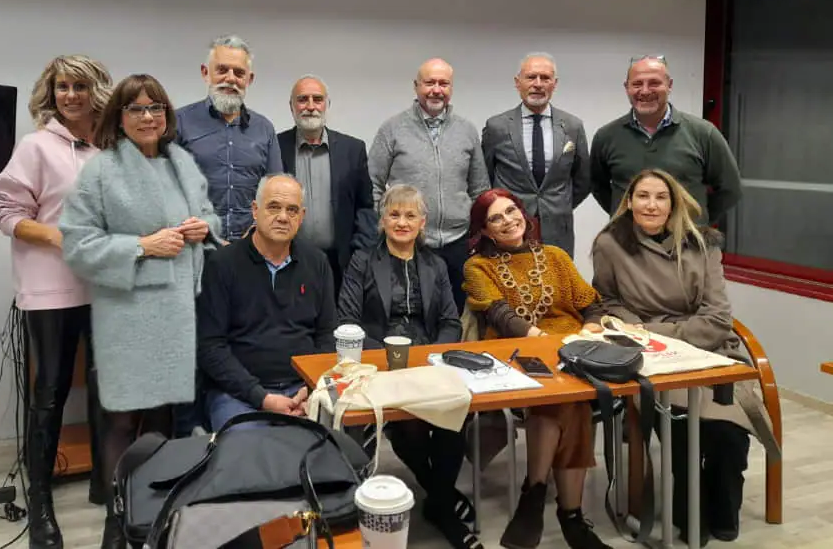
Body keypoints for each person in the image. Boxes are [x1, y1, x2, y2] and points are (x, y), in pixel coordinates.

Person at [60, 74, 219, 549]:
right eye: (136, 109)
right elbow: (77, 244)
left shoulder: (181, 163)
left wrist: (203, 227)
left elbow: (210, 216)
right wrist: (141, 246)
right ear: (120, 116)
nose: (148, 117)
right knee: (122, 421)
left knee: (162, 418)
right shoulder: (101, 171)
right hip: (127, 313)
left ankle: (152, 515)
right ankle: (116, 521)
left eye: (156, 108)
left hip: (176, 310)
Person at [591, 169, 760, 545]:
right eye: (643, 196)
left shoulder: (704, 244)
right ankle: (689, 513)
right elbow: (607, 300)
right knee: (682, 429)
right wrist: (640, 334)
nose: (651, 205)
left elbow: (718, 318)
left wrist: (652, 330)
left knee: (729, 431)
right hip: (650, 358)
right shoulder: (610, 244)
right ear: (629, 202)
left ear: (674, 203)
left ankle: (724, 509)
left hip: (710, 350)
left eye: (660, 197)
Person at [0, 55, 112, 549]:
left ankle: (106, 487)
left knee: (106, 389)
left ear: (96, 92)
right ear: (51, 92)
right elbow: (7, 214)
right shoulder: (36, 146)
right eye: (63, 86)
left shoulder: (112, 146)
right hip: (50, 289)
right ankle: (40, 504)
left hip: (105, 286)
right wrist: (61, 236)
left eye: (80, 86)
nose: (71, 95)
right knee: (51, 393)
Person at [462, 188, 613, 549]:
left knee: (570, 399)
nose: (507, 221)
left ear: (523, 213)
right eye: (495, 218)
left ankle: (534, 494)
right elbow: (499, 315)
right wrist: (544, 341)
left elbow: (591, 304)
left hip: (573, 352)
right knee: (566, 399)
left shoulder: (555, 256)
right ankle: (571, 519)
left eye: (511, 211)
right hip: (516, 354)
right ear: (484, 230)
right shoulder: (477, 266)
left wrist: (590, 330)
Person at [338, 184, 479, 549]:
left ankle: (438, 501)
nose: (402, 222)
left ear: (422, 222)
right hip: (379, 363)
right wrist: (388, 359)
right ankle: (443, 504)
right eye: (394, 214)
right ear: (382, 220)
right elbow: (348, 321)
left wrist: (429, 357)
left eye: (410, 215)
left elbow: (449, 321)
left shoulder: (435, 264)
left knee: (456, 412)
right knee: (409, 425)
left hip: (428, 361)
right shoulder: (362, 261)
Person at [197, 174, 337, 430]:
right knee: (247, 446)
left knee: (335, 439)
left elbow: (326, 335)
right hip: (239, 395)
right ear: (255, 210)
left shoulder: (317, 263)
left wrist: (310, 387)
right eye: (274, 207)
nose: (283, 217)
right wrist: (261, 398)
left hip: (304, 389)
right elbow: (210, 347)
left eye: (292, 210)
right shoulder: (222, 264)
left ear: (302, 216)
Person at [369, 58, 489, 312]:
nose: (436, 90)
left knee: (453, 314)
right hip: (409, 243)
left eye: (443, 83)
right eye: (429, 83)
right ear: (416, 86)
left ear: (451, 88)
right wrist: (388, 224)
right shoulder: (392, 129)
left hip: (458, 244)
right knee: (410, 314)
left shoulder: (467, 131)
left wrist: (474, 235)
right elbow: (373, 183)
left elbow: (480, 189)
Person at [590, 56, 741, 224]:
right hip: (627, 239)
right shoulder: (606, 136)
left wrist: (696, 222)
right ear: (627, 88)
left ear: (669, 85)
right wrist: (625, 217)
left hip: (685, 239)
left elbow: (730, 189)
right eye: (637, 84)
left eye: (654, 83)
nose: (645, 91)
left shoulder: (704, 133)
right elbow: (598, 186)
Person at [481, 53, 590, 257]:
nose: (538, 84)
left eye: (545, 78)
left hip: (558, 228)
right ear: (518, 82)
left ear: (554, 84)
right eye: (531, 77)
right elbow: (485, 177)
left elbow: (583, 179)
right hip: (509, 227)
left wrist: (559, 204)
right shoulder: (497, 126)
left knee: (557, 276)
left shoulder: (572, 126)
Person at [175, 34, 282, 241]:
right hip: (196, 246)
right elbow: (166, 188)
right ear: (205, 73)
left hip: (250, 248)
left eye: (239, 73)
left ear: (249, 79)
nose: (231, 79)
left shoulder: (264, 129)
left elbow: (274, 192)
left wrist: (255, 232)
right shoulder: (179, 122)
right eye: (222, 70)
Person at [277, 75, 376, 295]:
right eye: (302, 99)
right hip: (288, 260)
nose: (310, 106)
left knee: (338, 317)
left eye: (317, 99)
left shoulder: (353, 149)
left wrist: (361, 254)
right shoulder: (275, 147)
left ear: (327, 104)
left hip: (340, 264)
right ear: (291, 106)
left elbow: (366, 207)